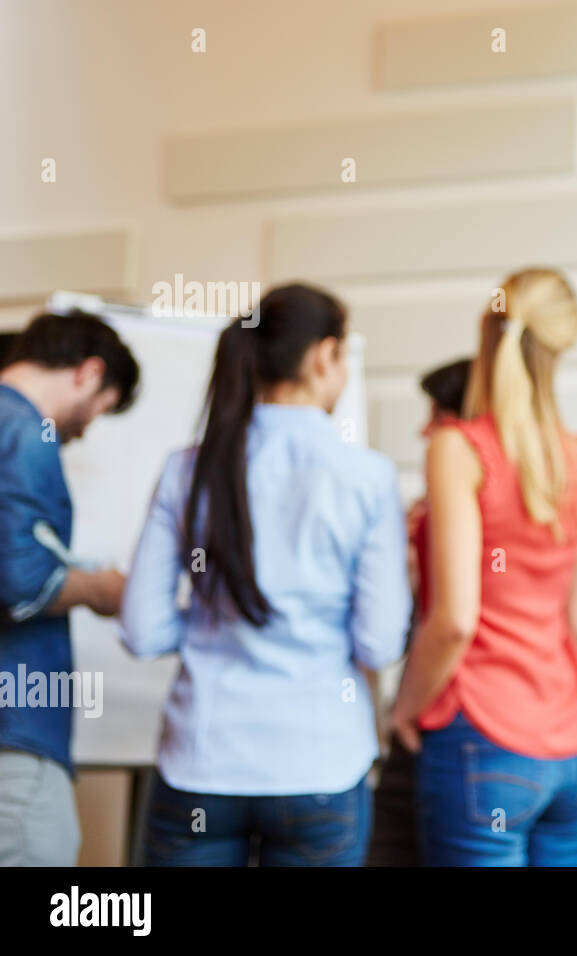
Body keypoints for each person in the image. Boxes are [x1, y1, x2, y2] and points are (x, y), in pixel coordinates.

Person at [120, 283, 410, 866]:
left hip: (202, 762)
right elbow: (379, 644)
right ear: (324, 356)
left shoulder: (185, 470)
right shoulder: (368, 477)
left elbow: (143, 631)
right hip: (320, 765)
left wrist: (205, 625)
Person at [390, 268, 577, 867]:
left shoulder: (458, 448)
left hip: (480, 740)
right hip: (571, 752)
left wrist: (403, 709)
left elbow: (455, 619)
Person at [0, 310, 140, 866]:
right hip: (15, 724)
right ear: (88, 372)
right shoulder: (24, 429)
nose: (83, 430)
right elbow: (18, 581)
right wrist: (102, 589)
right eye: (98, 411)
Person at [366, 357, 471, 867]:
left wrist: (404, 710)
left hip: (441, 719)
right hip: (532, 738)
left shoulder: (448, 515)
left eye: (439, 416)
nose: (425, 430)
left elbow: (452, 622)